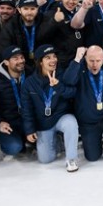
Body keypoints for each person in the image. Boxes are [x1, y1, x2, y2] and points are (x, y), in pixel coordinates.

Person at [20, 44, 80, 172]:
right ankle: (58, 141)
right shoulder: (29, 83)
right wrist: (29, 130)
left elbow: (73, 92)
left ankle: (71, 159)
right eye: (48, 58)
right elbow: (27, 109)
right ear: (40, 62)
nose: (53, 60)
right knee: (45, 159)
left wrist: (59, 86)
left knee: (71, 123)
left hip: (60, 117)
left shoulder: (62, 73)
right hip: (43, 123)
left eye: (54, 56)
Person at [0, 45, 28, 159]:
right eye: (16, 58)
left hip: (26, 120)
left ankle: (25, 140)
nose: (20, 61)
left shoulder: (30, 74)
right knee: (14, 147)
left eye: (21, 57)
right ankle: (8, 144)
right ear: (6, 62)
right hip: (6, 123)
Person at [38, 0, 84, 67]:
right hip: (59, 63)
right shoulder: (52, 13)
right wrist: (54, 21)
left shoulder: (80, 13)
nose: (71, 1)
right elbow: (41, 36)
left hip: (77, 60)